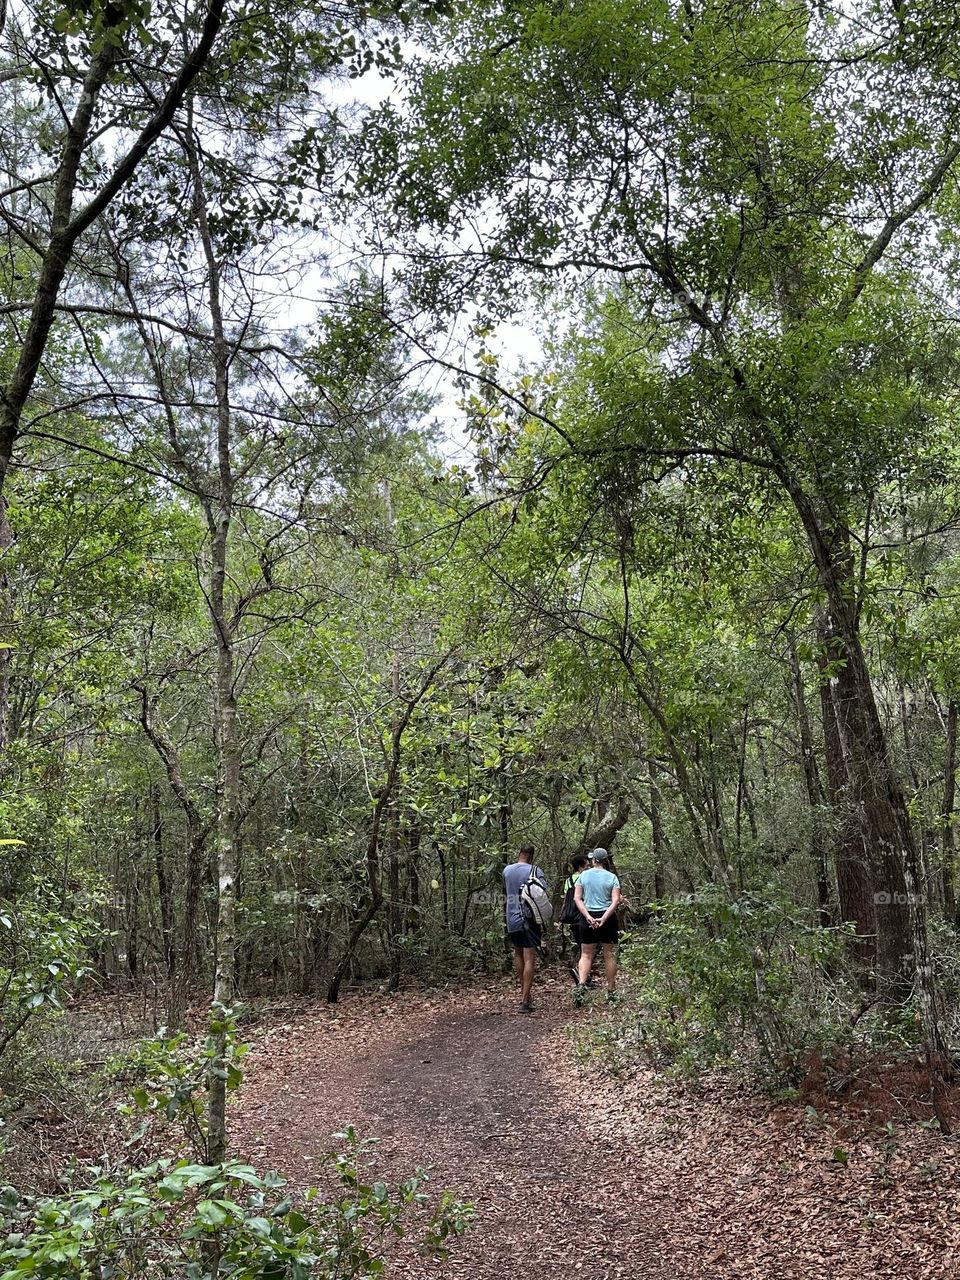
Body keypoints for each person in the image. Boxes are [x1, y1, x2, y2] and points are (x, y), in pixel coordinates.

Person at [503, 843, 548, 1014]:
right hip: (529, 919)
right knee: (530, 957)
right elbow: (542, 894)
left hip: (511, 918)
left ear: (519, 853)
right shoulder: (535, 871)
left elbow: (506, 893)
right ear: (531, 856)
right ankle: (524, 1001)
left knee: (518, 954)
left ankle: (525, 993)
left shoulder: (507, 870)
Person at [574, 847, 621, 1002]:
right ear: (605, 860)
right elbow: (615, 900)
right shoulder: (612, 877)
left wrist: (587, 916)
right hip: (607, 918)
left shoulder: (583, 876)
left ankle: (581, 986)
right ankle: (611, 991)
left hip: (587, 918)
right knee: (609, 955)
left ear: (593, 860)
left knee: (586, 954)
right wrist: (604, 918)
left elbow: (577, 898)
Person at [561, 853, 590, 983]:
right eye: (587, 865)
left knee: (581, 946)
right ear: (580, 866)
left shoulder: (568, 880)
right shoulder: (585, 878)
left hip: (572, 917)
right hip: (584, 915)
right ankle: (580, 973)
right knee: (590, 947)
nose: (589, 867)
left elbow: (566, 899)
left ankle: (584, 977)